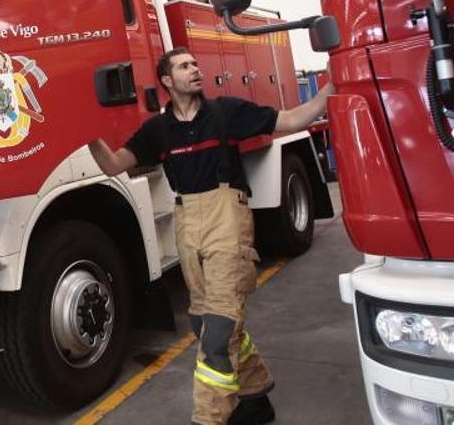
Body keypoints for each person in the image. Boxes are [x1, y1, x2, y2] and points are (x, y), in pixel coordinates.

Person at [88, 47, 333, 425]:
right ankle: (255, 396)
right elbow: (113, 164)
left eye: (195, 64)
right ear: (167, 81)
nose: (195, 70)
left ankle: (209, 417)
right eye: (184, 66)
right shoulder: (157, 129)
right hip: (188, 224)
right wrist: (85, 130)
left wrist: (329, 88)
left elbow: (291, 118)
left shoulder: (225, 112)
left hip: (228, 221)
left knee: (217, 333)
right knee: (206, 323)